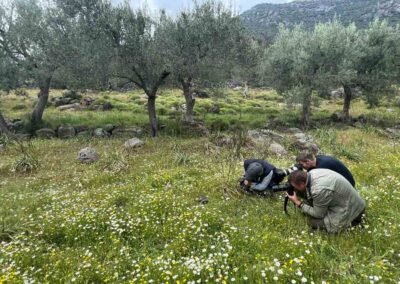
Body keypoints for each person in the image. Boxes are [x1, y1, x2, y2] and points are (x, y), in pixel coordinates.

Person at [287, 169, 365, 233]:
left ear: (302, 184)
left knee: (311, 222)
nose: (294, 188)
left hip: (353, 212)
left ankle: (352, 224)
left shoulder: (318, 190)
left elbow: (319, 214)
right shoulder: (313, 172)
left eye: (295, 186)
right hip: (355, 203)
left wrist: (298, 203)